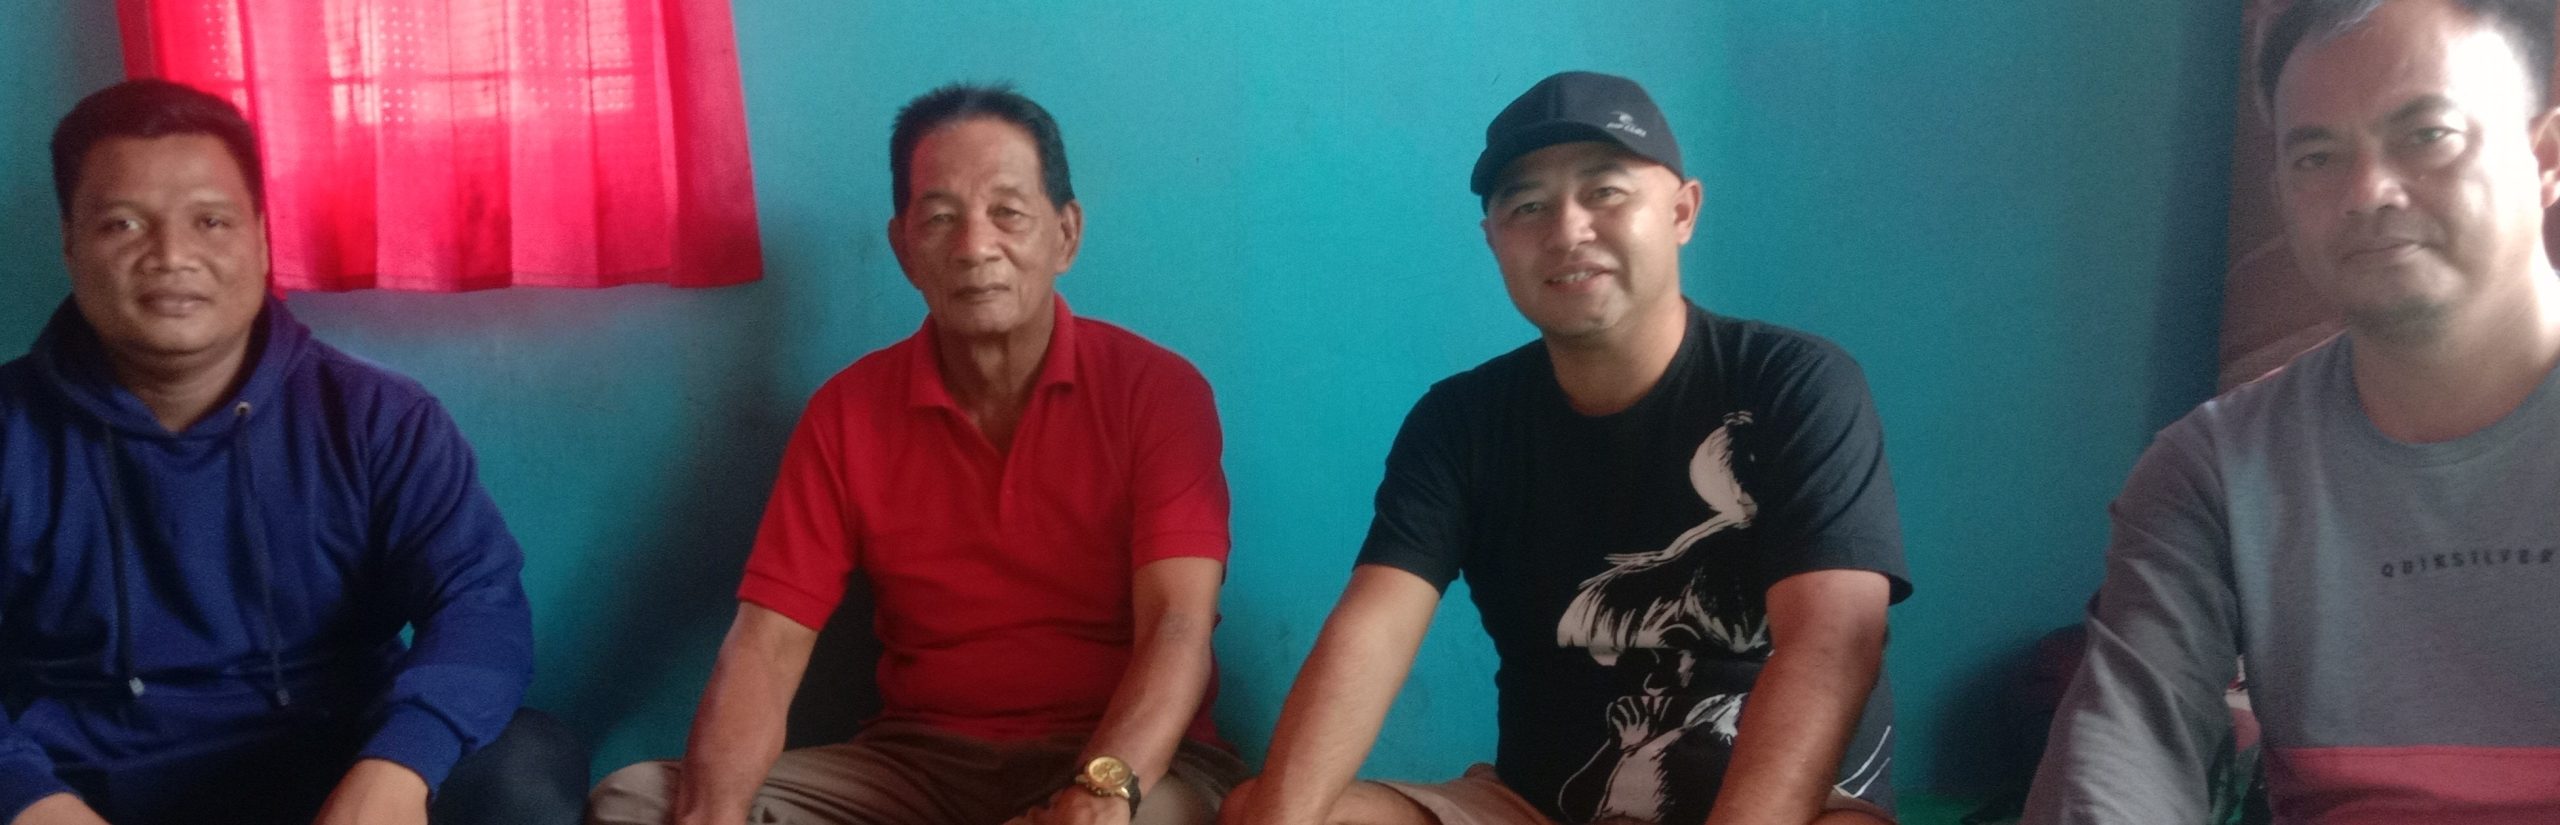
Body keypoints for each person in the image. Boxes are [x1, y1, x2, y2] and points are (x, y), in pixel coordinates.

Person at [1223, 71, 1911, 825]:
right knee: (1270, 808)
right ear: (1493, 241)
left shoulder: (1794, 383)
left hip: (1795, 808)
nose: (1567, 229)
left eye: (1605, 191)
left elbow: (1831, 644)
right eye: (1528, 206)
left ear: (1682, 211)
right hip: (1537, 806)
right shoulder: (1461, 421)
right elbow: (1375, 628)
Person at [587, 82, 1243, 825]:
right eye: (940, 218)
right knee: (635, 803)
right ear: (903, 247)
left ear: (1065, 235)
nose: (974, 247)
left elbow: (1178, 625)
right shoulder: (848, 413)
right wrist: (714, 813)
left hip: (1124, 764)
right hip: (919, 768)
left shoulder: (1158, 392)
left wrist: (1098, 795)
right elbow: (768, 644)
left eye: (1008, 212)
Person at [2022, 0, 2560, 821]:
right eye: (2316, 156)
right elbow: (2130, 740)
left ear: (2545, 154)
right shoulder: (2214, 469)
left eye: (2427, 135)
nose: (2367, 191)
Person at [0, 79, 586, 825]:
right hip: (79, 785)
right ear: (70, 242)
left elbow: (478, 602)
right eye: (123, 224)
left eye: (210, 221)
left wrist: (401, 764)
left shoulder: (377, 418)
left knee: (526, 768)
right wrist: (26, 797)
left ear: (261, 238)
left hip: (336, 773)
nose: (172, 255)